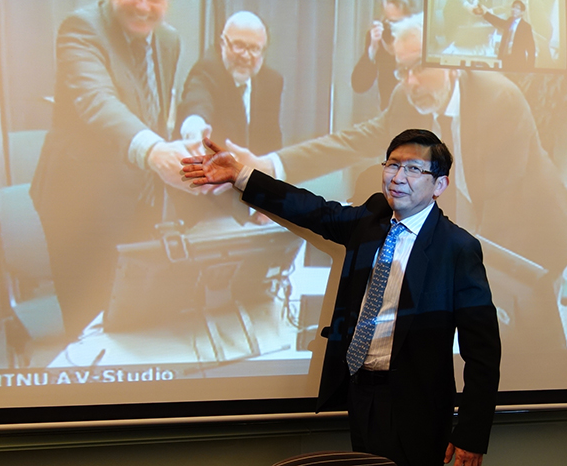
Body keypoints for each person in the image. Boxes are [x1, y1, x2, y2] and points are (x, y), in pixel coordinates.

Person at [225, 14, 567, 376]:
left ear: (449, 61)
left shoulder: (498, 99)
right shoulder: (406, 97)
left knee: (534, 346)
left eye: (417, 69)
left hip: (536, 232)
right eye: (400, 70)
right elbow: (355, 139)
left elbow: (501, 207)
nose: (409, 82)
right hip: (487, 230)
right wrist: (271, 165)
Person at [182, 129, 501, 466]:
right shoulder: (370, 221)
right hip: (361, 392)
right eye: (393, 165)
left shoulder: (456, 248)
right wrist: (240, 176)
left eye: (414, 169)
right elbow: (311, 210)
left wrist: (471, 433)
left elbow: (483, 351)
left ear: (439, 185)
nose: (398, 177)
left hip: (416, 404)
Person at [29, 0, 195, 339]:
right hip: (79, 207)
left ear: (168, 0)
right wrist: (155, 150)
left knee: (132, 324)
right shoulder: (81, 29)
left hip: (138, 202)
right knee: (88, 330)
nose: (142, 6)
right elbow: (97, 103)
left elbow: (153, 111)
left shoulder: (168, 40)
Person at [174, 11, 284, 224]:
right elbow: (196, 102)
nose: (245, 56)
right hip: (205, 202)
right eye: (238, 46)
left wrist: (269, 200)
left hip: (250, 198)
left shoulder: (272, 82)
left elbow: (271, 141)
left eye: (253, 49)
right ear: (223, 43)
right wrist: (194, 127)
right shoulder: (206, 71)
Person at [351, 0, 415, 110]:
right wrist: (372, 51)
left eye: (397, 23)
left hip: (418, 113)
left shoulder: (419, 40)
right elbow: (359, 86)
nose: (391, 28)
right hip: (389, 112)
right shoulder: (379, 39)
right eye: (387, 22)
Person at [475, 0, 536, 70]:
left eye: (517, 8)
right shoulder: (510, 21)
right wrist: (484, 14)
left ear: (522, 12)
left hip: (518, 63)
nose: (514, 9)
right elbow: (498, 21)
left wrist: (530, 68)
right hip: (505, 60)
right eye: (513, 7)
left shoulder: (526, 26)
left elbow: (531, 48)